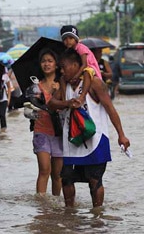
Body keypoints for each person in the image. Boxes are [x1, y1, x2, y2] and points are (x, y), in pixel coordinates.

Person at [48, 48, 130, 208]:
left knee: (94, 180)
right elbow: (51, 103)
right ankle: (69, 213)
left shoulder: (94, 83)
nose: (61, 71)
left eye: (64, 67)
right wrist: (67, 103)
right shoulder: (64, 85)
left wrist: (121, 135)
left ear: (75, 65)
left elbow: (111, 109)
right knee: (66, 178)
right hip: (71, 141)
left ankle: (97, 214)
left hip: (96, 140)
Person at [27, 48, 63, 196]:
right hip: (41, 131)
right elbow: (31, 111)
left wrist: (57, 93)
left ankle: (56, 204)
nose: (46, 64)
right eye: (43, 61)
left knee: (57, 174)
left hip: (59, 132)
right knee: (44, 169)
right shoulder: (36, 86)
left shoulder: (63, 85)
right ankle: (41, 205)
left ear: (56, 64)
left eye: (50, 61)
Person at [60, 25, 102, 107]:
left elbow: (84, 64)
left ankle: (82, 96)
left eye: (70, 38)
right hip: (82, 70)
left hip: (90, 68)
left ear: (76, 39)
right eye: (65, 39)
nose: (68, 41)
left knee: (87, 71)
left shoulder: (81, 48)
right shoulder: (70, 51)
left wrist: (76, 76)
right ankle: (64, 100)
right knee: (62, 78)